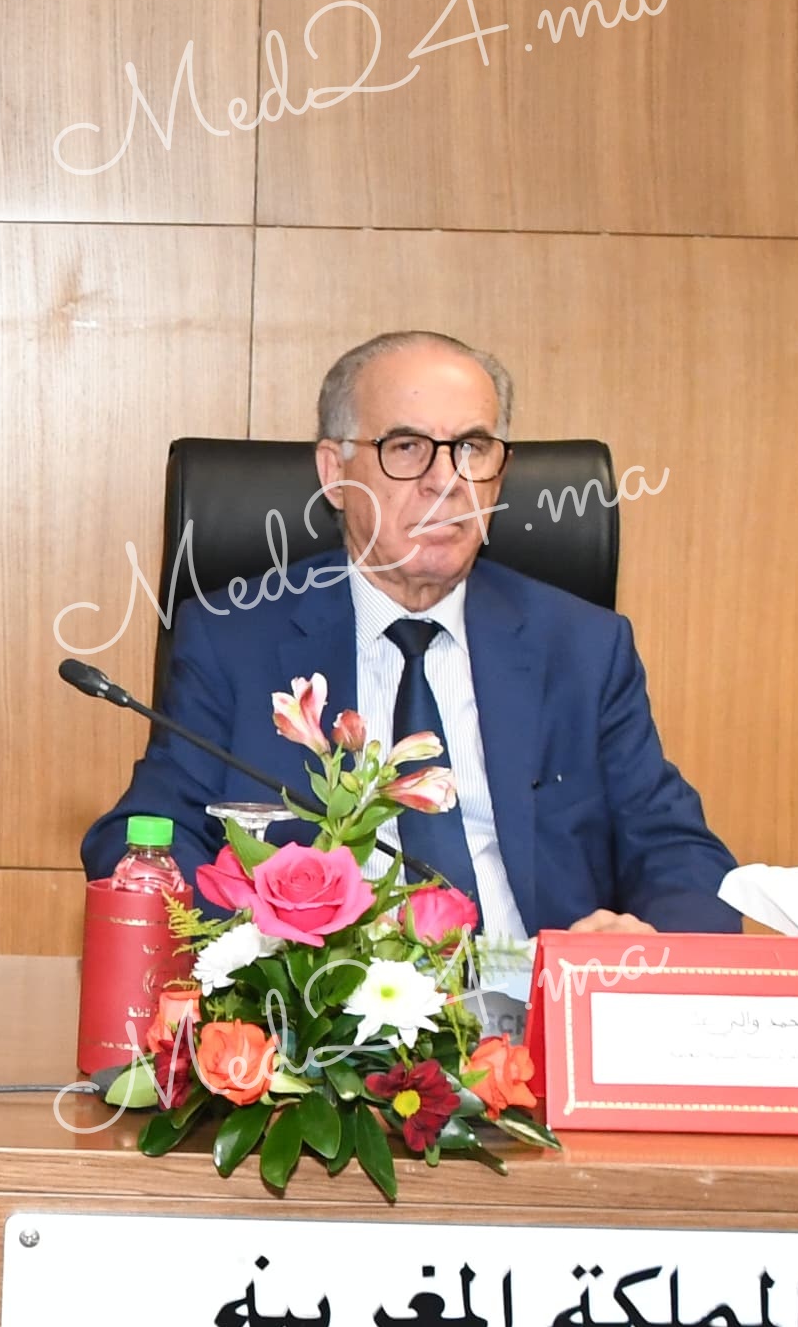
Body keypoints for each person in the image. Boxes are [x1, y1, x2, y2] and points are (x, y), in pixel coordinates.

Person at [81, 329, 737, 940]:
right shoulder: (234, 642)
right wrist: (256, 955)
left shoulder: (584, 648)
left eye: (472, 448)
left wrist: (647, 951)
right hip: (321, 1006)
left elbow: (679, 851)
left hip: (534, 1003)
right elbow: (145, 836)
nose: (445, 481)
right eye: (405, 447)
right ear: (335, 474)